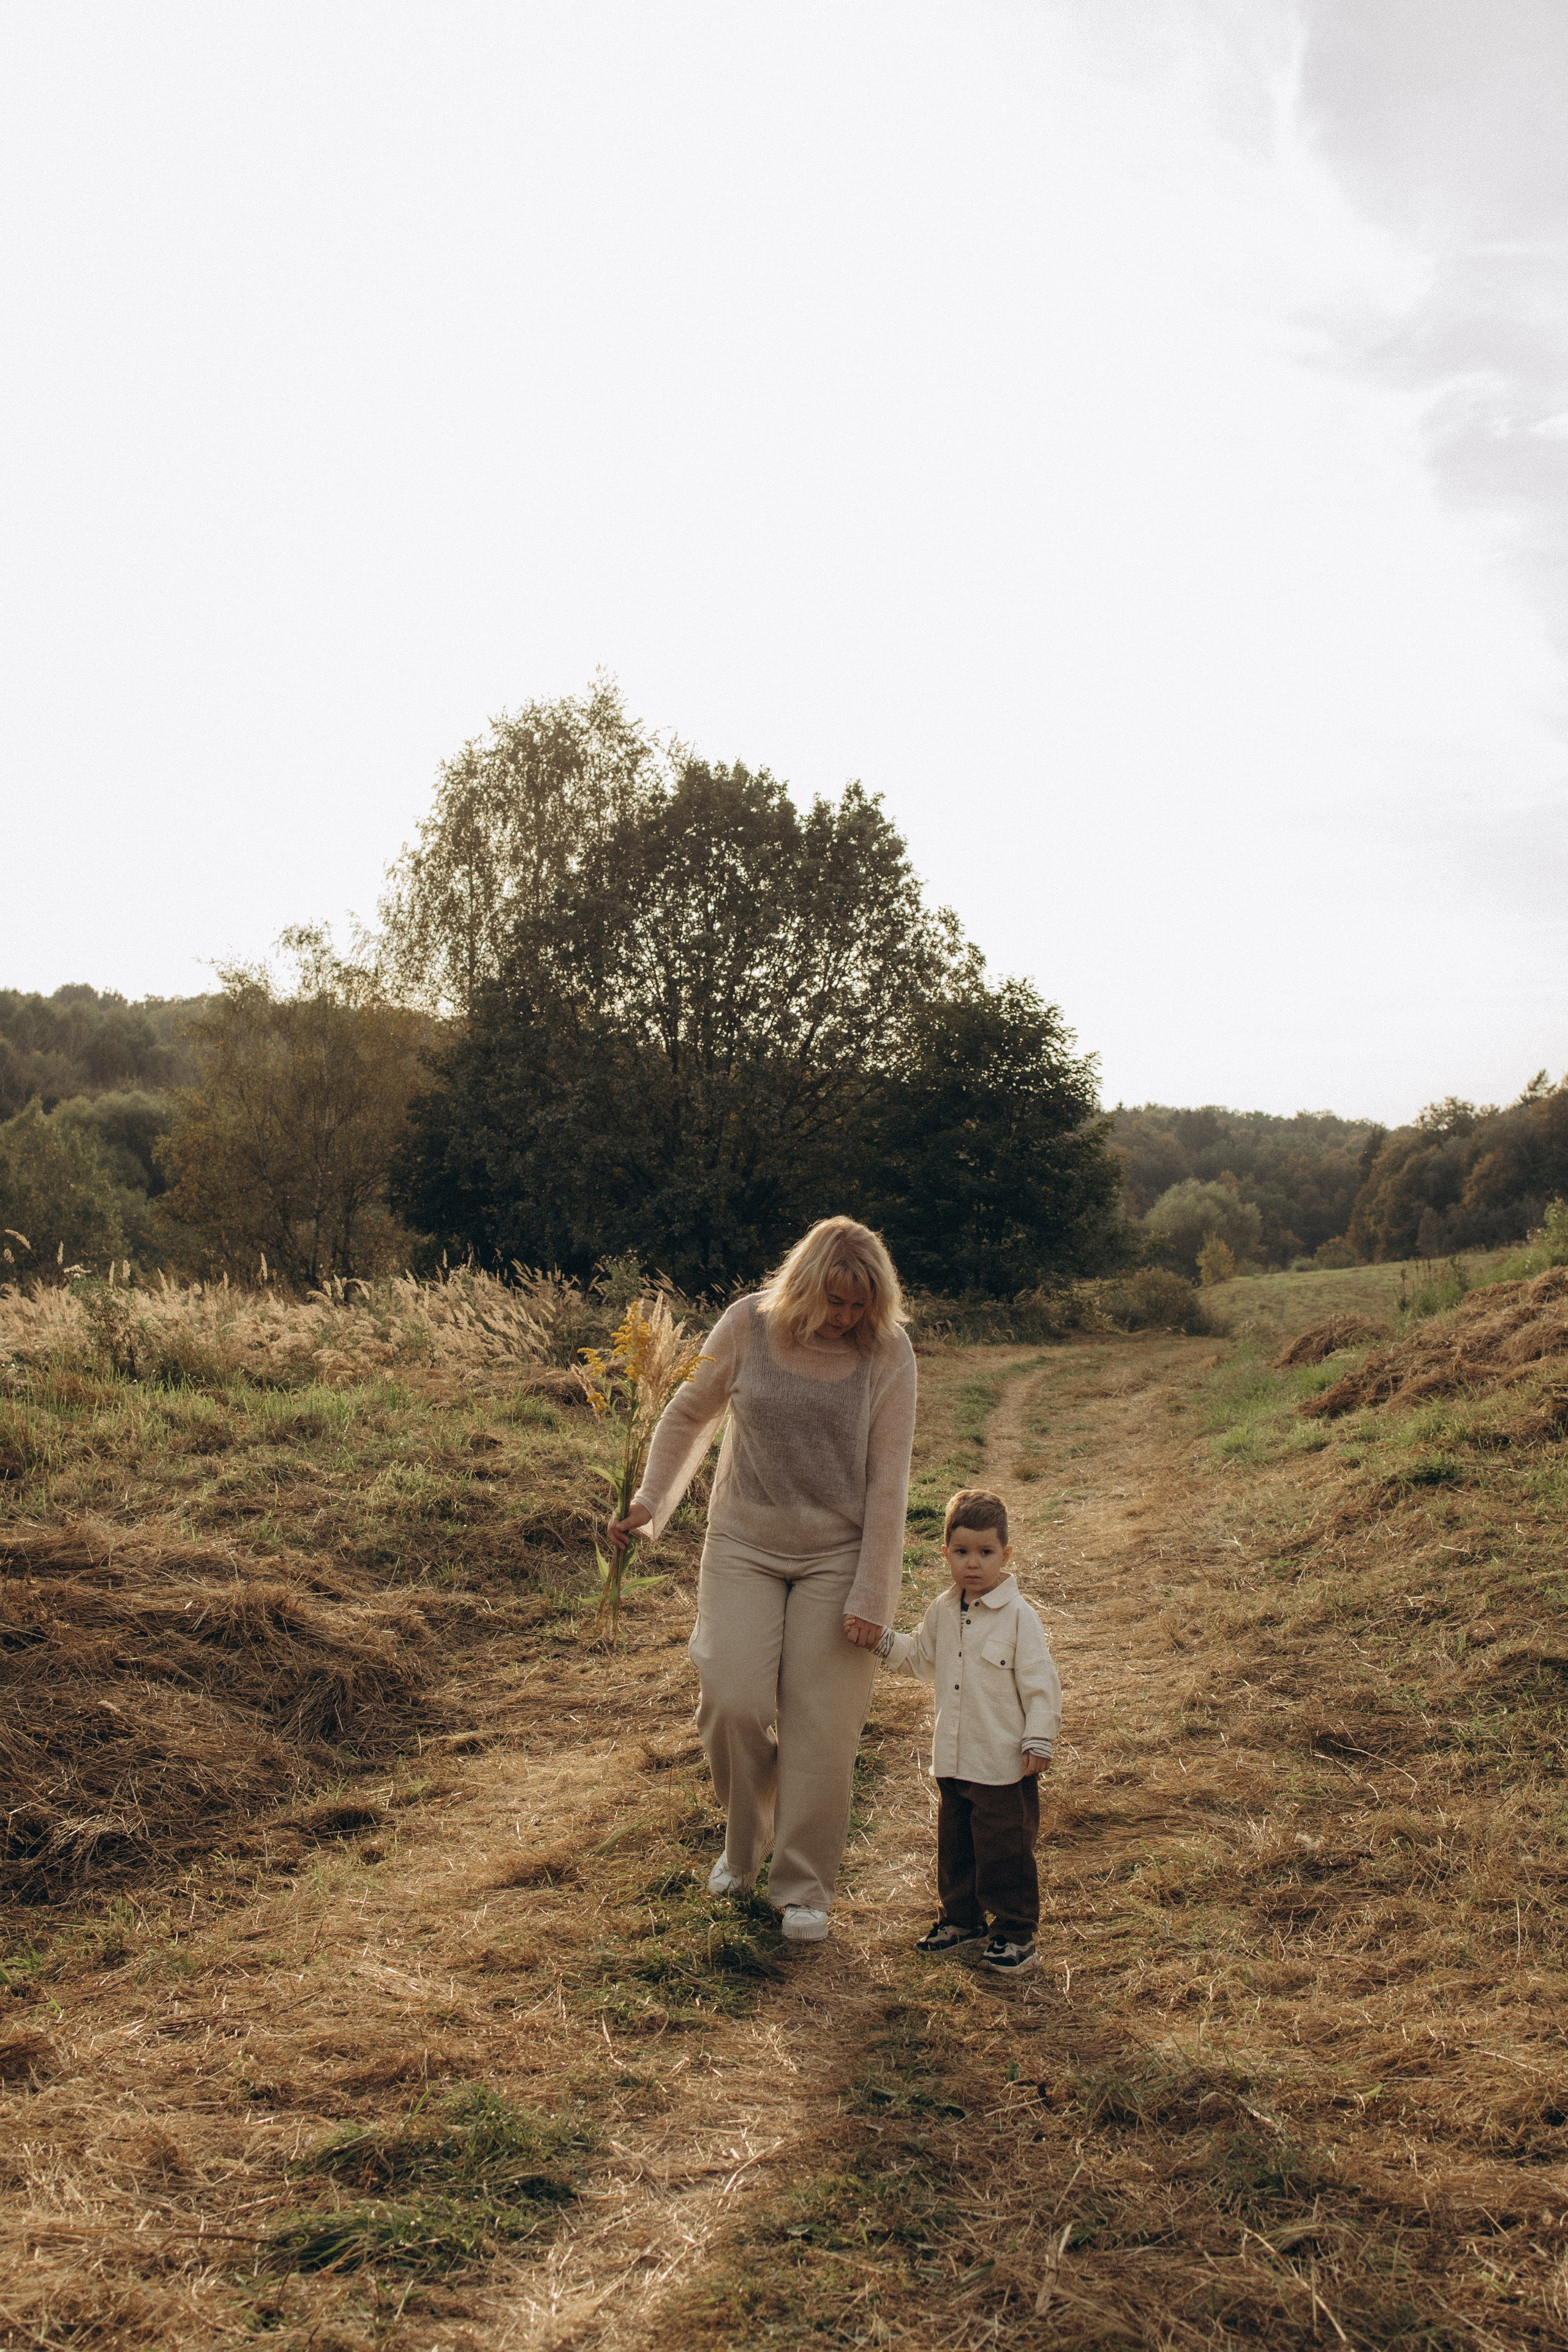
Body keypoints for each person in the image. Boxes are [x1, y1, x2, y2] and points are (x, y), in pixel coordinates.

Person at [605, 1216, 916, 1944]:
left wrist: (873, 1593)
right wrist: (649, 1505)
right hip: (744, 1542)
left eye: (858, 1306)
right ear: (802, 1285)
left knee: (822, 1725)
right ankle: (743, 1846)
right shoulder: (746, 1324)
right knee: (732, 1700)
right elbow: (688, 1415)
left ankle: (803, 1885)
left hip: (837, 1555)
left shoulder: (888, 1352)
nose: (844, 1318)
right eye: (833, 1301)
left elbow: (888, 1482)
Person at [878, 1488, 1060, 1977]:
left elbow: (1041, 1683)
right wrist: (879, 1640)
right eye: (961, 1553)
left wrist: (1038, 1738)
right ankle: (961, 1920)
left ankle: (1015, 1934)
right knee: (956, 1844)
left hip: (1002, 1761)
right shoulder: (943, 1609)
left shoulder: (1020, 1617)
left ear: (1006, 1554)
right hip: (955, 1756)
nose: (973, 1564)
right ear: (946, 1554)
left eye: (986, 1553)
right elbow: (921, 1658)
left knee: (1005, 1848)